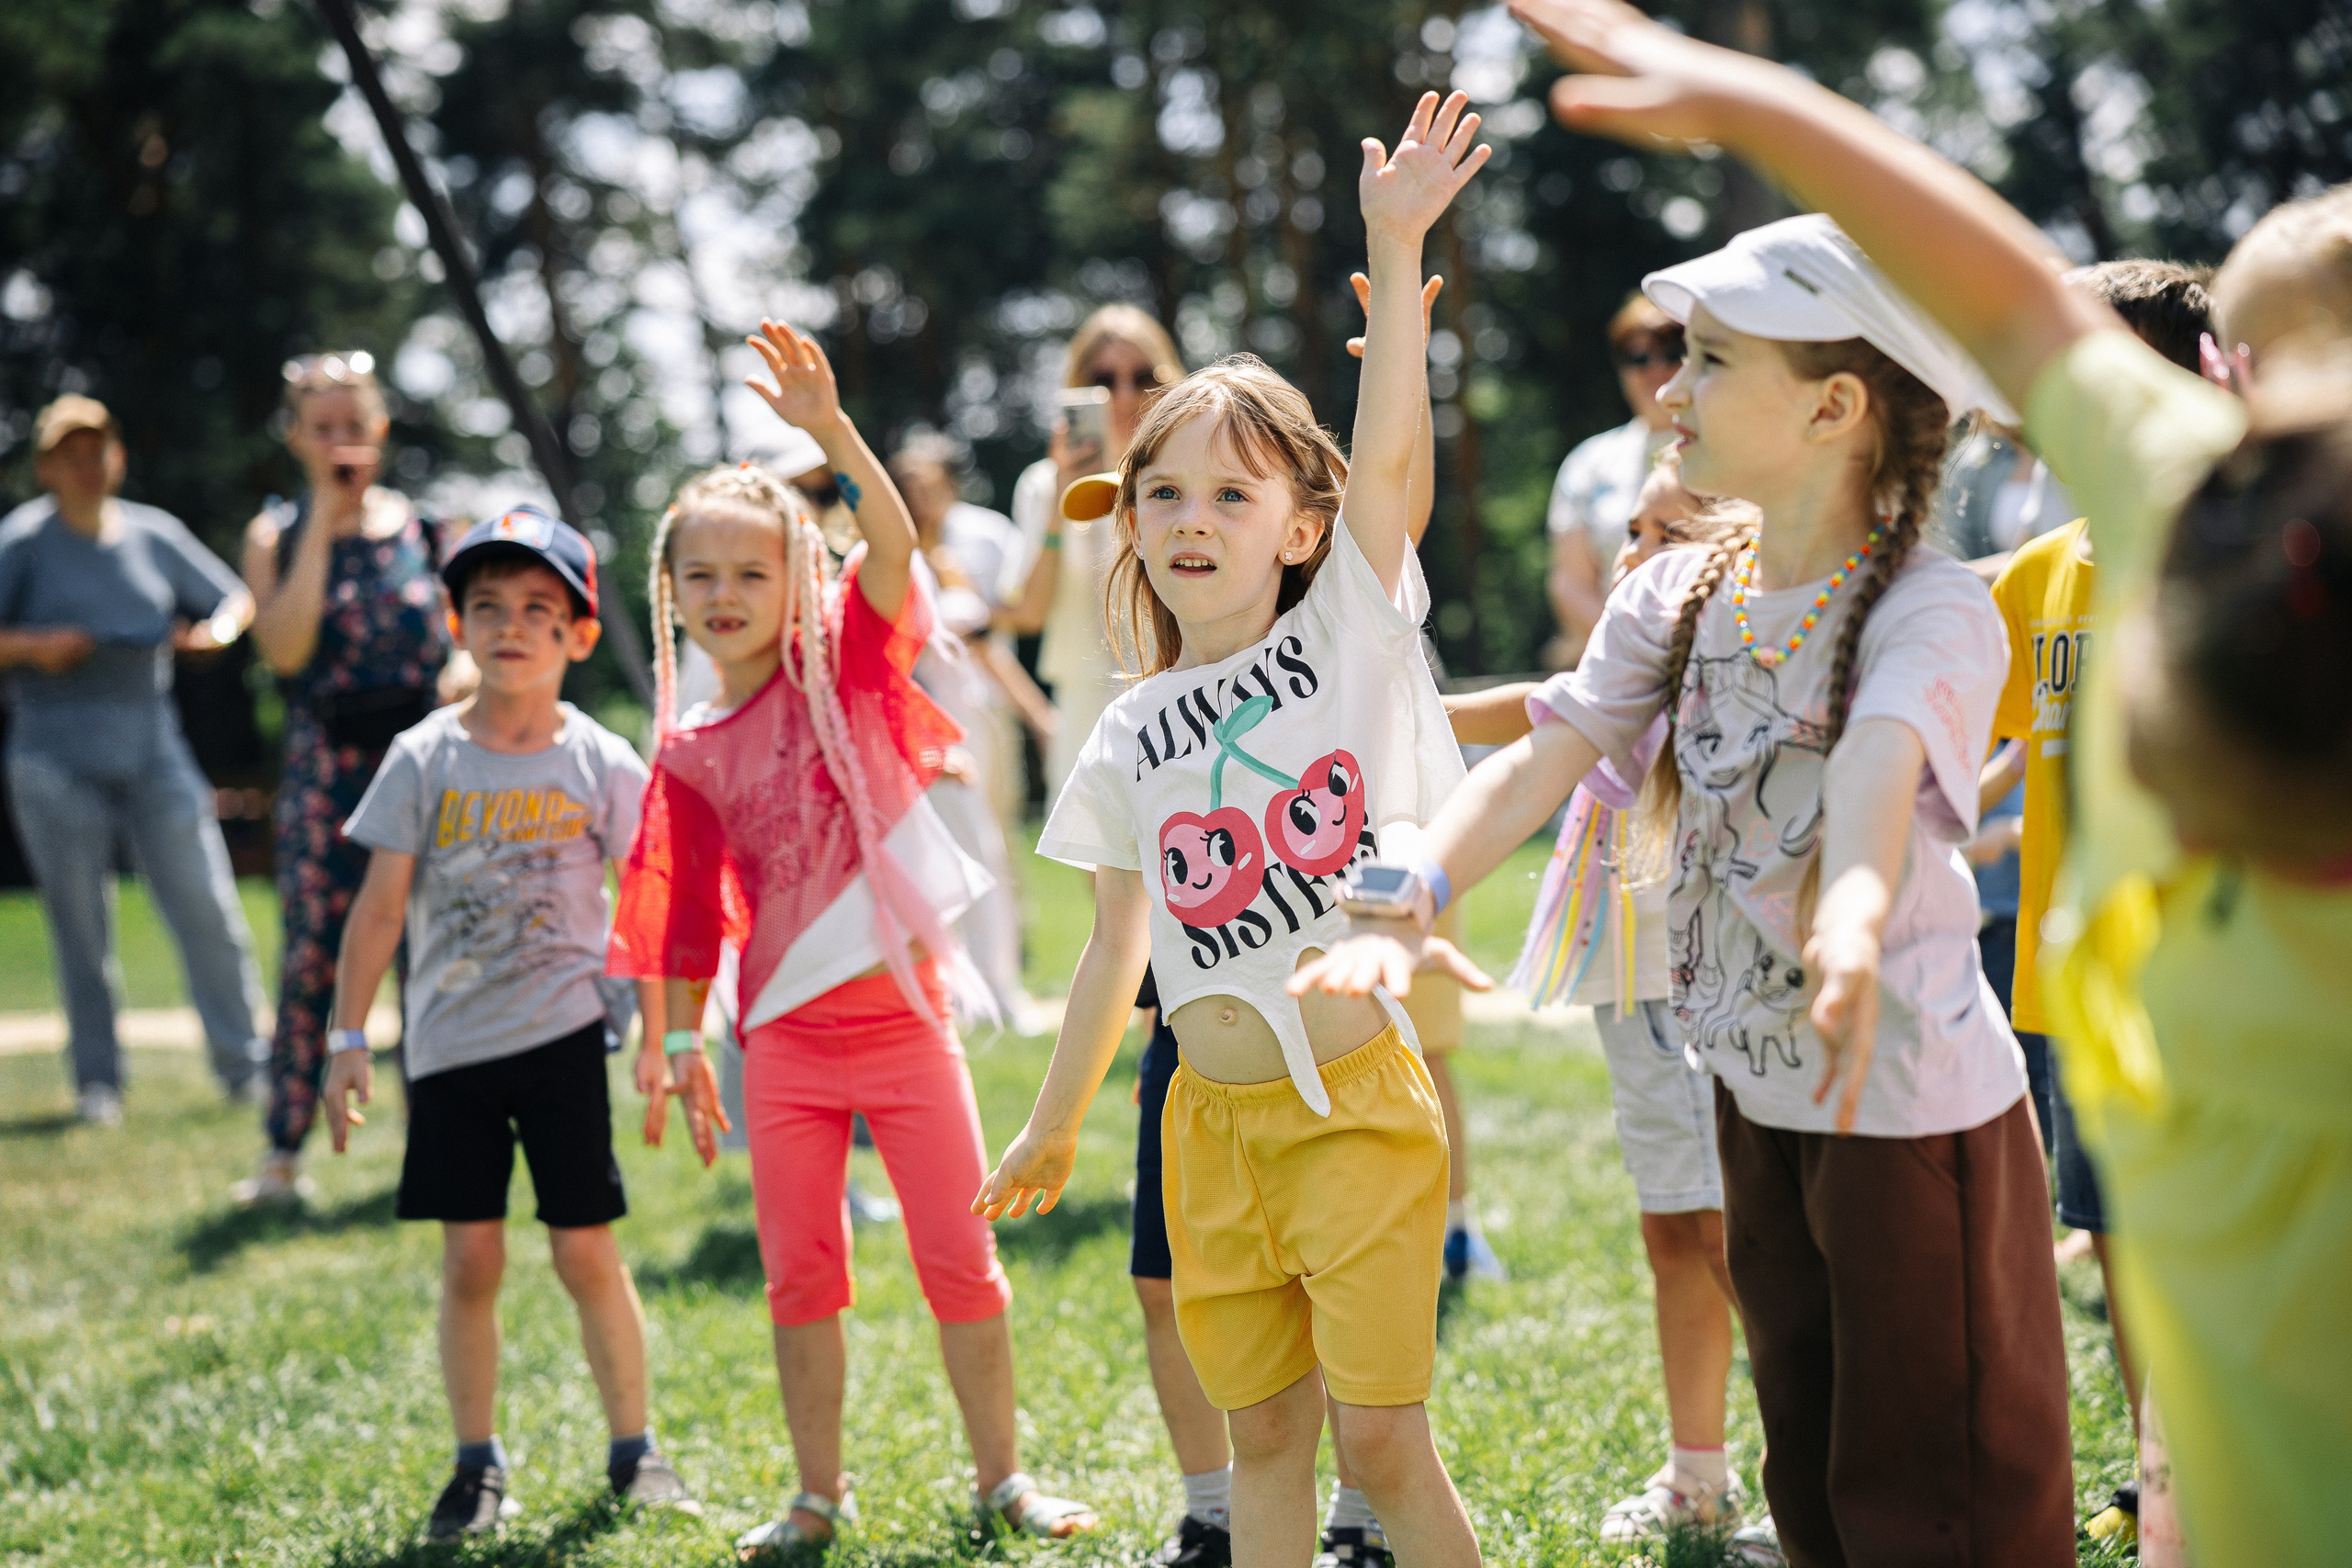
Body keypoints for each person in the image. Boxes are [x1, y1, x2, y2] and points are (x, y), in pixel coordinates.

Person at [1510, 5, 2352, 1562]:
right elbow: (2012, 298)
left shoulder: (2192, 485)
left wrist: (1750, 103)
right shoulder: (2198, 484)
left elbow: (2009, 293)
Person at [1298, 194, 2073, 1562]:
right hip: (1758, 1083)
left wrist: (1847, 926)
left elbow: (1877, 775)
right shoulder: (1676, 594)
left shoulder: (1927, 607)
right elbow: (1549, 756)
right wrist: (1416, 877)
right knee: (1815, 1442)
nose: (1671, 384)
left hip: (1906, 1106)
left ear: (1834, 406)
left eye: (1713, 359)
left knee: (1937, 1473)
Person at [977, 93, 1492, 1568]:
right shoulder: (1131, 726)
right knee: (1259, 1434)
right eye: (1161, 493)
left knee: (1381, 1440)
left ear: (1300, 527)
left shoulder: (1343, 629)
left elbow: (1386, 456)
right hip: (1210, 1138)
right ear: (1127, 522)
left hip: (1358, 1119)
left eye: (1227, 492)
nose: (1189, 517)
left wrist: (1395, 255)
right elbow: (1111, 952)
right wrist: (1056, 1117)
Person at [610, 319, 1095, 1556]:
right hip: (783, 1047)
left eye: (751, 572)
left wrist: (829, 434)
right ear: (672, 593)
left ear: (797, 579)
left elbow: (889, 543)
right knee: (800, 1278)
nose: (725, 597)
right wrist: (669, 1043)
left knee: (961, 1264)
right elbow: (674, 909)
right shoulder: (690, 748)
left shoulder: (858, 665)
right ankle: (815, 1493)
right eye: (700, 577)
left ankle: (1004, 1477)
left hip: (904, 1027)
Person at [316, 507, 695, 1539]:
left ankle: (636, 1448)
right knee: (471, 1257)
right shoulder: (424, 756)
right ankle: (475, 1463)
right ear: (458, 625)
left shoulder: (601, 760)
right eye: (488, 607)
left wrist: (663, 1037)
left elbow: (646, 899)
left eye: (538, 609)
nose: (512, 627)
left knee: (585, 1253)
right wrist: (348, 1042)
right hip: (447, 1051)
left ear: (577, 635)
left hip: (564, 1038)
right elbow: (379, 910)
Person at [1444, 451, 1751, 1551]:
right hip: (1634, 977)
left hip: (1708, 980)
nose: (1632, 559)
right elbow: (1538, 714)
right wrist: (1408, 712)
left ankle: (1819, 1461)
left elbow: (1532, 719)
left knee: (1736, 1238)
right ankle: (1698, 1472)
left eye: (1666, 538)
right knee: (1673, 1226)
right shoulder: (1625, 658)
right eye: (1631, 532)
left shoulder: (1731, 661)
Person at [1986, 256, 2213, 1555]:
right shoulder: (2035, 575)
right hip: (2071, 986)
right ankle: (2157, 1462)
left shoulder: (2234, 548)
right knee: (2115, 1237)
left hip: (2207, 980)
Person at [0, 394, 266, 1125]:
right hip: (53, 755)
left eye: (98, 450)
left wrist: (213, 633)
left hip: (153, 746)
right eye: (70, 454)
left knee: (208, 905)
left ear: (116, 456)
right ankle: (99, 1085)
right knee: (82, 925)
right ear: (48, 466)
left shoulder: (154, 534)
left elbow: (234, 600)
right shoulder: (22, 542)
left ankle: (247, 1065)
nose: (87, 466)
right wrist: (33, 647)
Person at [236, 351, 453, 1204]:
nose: (341, 442)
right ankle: (284, 1150)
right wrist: (324, 517)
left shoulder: (429, 531)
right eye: (322, 428)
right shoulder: (277, 535)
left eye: (354, 426)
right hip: (328, 775)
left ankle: (439, 1139)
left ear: (381, 430)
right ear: (296, 438)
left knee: (430, 956)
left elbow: (459, 643)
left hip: (422, 765)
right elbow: (284, 647)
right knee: (312, 963)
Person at [891, 433, 1052, 1032]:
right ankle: (976, 986)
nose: (923, 501)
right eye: (910, 490)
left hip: (976, 721)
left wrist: (1034, 715)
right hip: (925, 732)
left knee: (992, 848)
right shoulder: (892, 559)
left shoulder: (977, 540)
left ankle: (989, 980)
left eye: (931, 487)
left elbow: (1005, 622)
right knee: (955, 856)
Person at [1006, 304, 1185, 802]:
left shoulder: (1193, 477)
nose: (1125, 395)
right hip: (1089, 700)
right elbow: (1029, 612)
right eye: (1104, 378)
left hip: (1181, 690)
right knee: (1103, 875)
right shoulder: (1043, 486)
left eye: (1144, 375)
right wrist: (1061, 505)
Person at [1544, 293, 1682, 669]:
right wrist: (1634, 651)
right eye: (1638, 358)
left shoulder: (1733, 450)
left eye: (1672, 353)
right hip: (1613, 665)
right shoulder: (1589, 463)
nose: (1656, 369)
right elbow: (1569, 585)